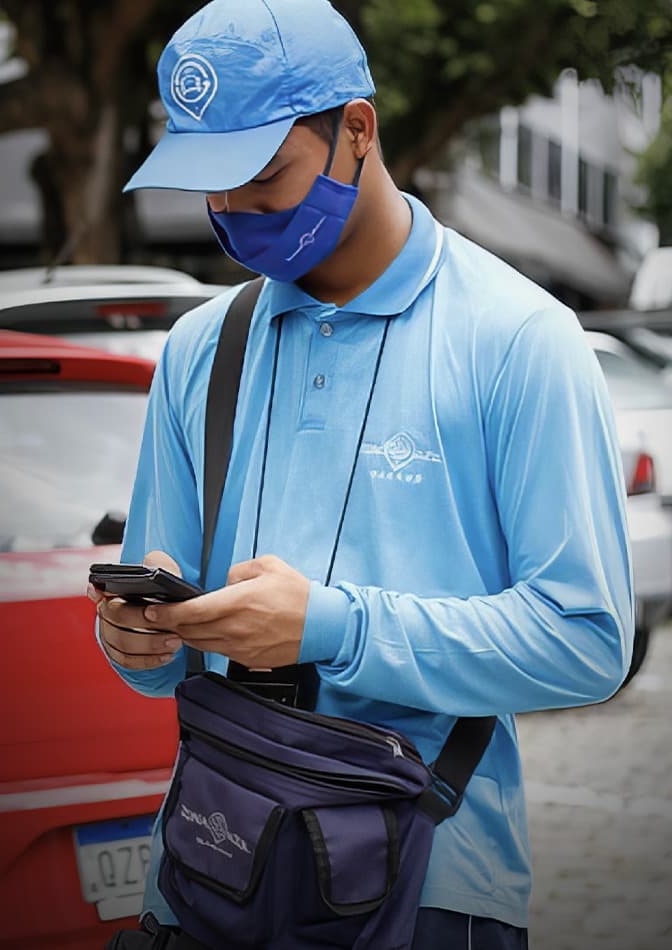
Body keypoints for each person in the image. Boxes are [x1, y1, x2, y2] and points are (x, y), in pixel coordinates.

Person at [91, 0, 634, 947]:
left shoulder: (518, 340)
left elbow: (585, 639)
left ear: (357, 129)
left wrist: (332, 626)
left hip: (425, 885)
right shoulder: (198, 352)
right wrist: (137, 642)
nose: (231, 212)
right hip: (207, 872)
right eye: (207, 184)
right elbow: (162, 658)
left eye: (261, 176)